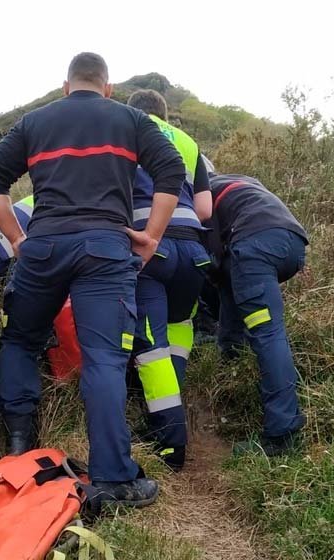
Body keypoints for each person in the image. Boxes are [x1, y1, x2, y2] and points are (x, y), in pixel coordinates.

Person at [0, 52, 185, 509]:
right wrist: (150, 237)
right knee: (105, 360)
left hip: (45, 246)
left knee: (21, 339)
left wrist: (17, 239)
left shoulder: (35, 122)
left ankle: (18, 445)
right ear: (107, 87)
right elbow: (172, 171)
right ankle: (114, 480)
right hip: (105, 250)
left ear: (66, 86)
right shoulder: (130, 119)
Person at [125, 89, 212, 471]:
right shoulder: (190, 143)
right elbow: (206, 207)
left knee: (151, 348)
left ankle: (169, 444)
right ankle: (173, 408)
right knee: (179, 328)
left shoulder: (127, 129)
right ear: (164, 112)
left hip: (149, 245)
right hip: (193, 249)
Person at [205, 172, 309, 456]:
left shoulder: (202, 191)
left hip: (254, 245)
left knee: (266, 332)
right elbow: (224, 273)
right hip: (292, 243)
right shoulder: (241, 181)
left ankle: (282, 434)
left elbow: (210, 257)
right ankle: (233, 371)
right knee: (233, 291)